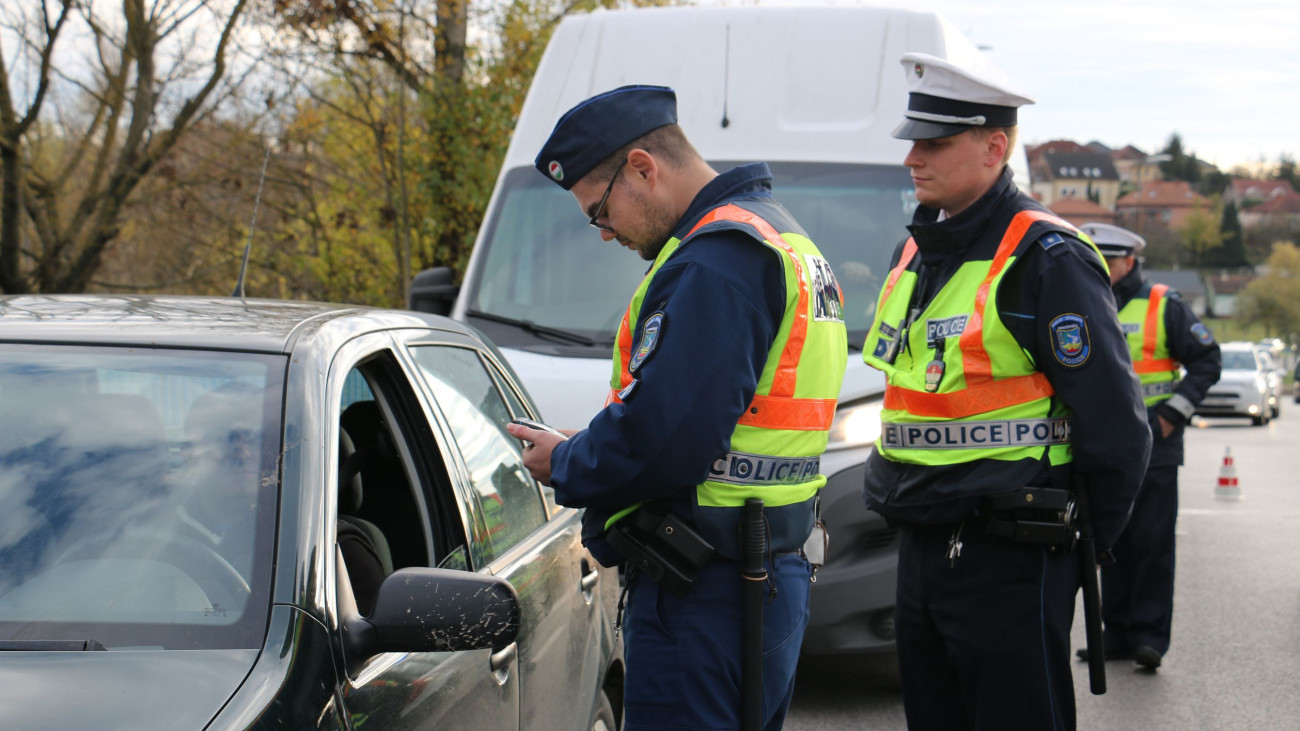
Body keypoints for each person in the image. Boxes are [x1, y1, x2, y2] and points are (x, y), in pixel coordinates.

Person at [505, 85, 848, 731]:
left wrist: (571, 458)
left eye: (598, 210)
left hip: (707, 594)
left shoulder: (717, 261)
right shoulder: (782, 237)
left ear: (642, 167)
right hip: (763, 572)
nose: (603, 233)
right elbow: (719, 418)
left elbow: (668, 438)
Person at [859, 54, 1152, 730]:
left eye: (933, 143)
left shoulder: (1046, 259)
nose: (912, 157)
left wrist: (1072, 549)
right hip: (923, 544)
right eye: (912, 140)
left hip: (1014, 555)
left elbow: (1117, 431)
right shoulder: (918, 252)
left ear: (995, 147)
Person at [1077, 222, 1221, 671]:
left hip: (1155, 445)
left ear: (1130, 261)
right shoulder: (1081, 295)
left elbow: (1206, 360)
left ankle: (1149, 637)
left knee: (1152, 543)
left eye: (1110, 259)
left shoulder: (1163, 303)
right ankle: (1115, 634)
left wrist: (1170, 417)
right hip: (1100, 445)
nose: (1102, 266)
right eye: (1095, 257)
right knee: (1107, 541)